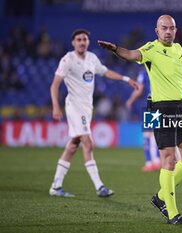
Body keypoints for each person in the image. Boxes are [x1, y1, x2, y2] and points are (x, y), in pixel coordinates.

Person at [98, 15, 182, 224]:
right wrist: (115, 49)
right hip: (158, 108)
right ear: (157, 31)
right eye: (164, 28)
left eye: (171, 28)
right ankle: (172, 214)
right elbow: (130, 54)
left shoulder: (179, 50)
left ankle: (161, 197)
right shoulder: (150, 49)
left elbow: (181, 77)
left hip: (180, 107)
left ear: (176, 30)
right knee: (169, 160)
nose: (168, 31)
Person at [49, 29, 139, 197]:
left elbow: (106, 72)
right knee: (88, 143)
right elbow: (55, 85)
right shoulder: (67, 60)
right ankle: (100, 187)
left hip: (86, 107)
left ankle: (56, 186)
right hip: (74, 106)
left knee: (73, 145)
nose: (82, 42)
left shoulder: (91, 58)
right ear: (73, 42)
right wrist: (55, 106)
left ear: (88, 42)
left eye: (84, 39)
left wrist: (126, 79)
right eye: (79, 39)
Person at [126, 68, 161, 172]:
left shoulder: (144, 72)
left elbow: (139, 88)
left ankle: (150, 162)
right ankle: (158, 161)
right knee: (155, 133)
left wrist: (130, 100)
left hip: (148, 105)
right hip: (159, 103)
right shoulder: (158, 70)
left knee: (147, 134)